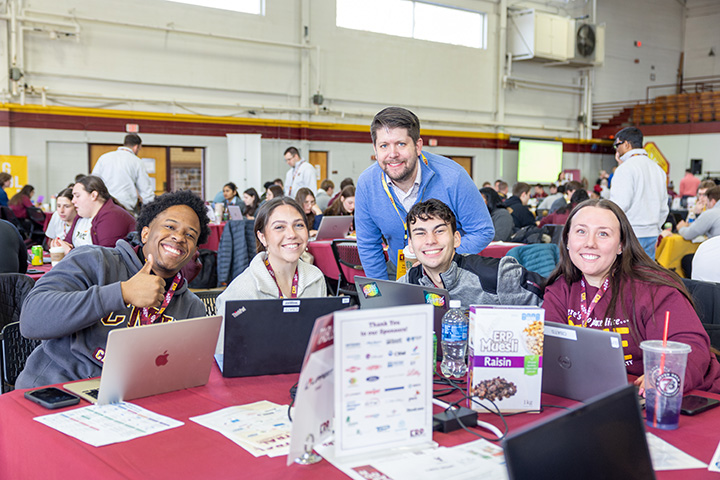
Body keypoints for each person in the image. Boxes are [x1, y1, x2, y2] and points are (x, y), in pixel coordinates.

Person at [16, 190, 210, 389]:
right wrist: (122, 293)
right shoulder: (94, 261)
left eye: (190, 235)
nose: (178, 237)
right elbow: (31, 321)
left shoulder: (191, 308)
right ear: (145, 233)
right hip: (58, 391)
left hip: (131, 399)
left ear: (194, 251)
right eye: (170, 226)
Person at [542, 199, 720, 393]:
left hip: (678, 394)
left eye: (603, 234)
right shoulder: (560, 289)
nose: (589, 243)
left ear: (621, 245)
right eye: (581, 231)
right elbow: (546, 350)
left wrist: (666, 373)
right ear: (568, 240)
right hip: (597, 392)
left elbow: (690, 346)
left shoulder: (653, 289)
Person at [355, 107, 494, 280]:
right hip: (398, 271)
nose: (393, 154)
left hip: (451, 273)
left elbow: (482, 231)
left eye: (401, 144)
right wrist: (381, 294)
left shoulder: (453, 176)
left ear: (418, 146)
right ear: (375, 150)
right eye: (384, 146)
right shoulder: (367, 184)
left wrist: (436, 258)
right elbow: (368, 245)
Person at [215, 197, 327, 353]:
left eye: (299, 225)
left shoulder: (315, 278)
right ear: (262, 237)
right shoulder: (240, 292)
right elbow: (221, 356)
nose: (292, 234)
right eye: (279, 227)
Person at [398, 199, 543, 309]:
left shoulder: (497, 275)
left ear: (456, 239)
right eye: (420, 233)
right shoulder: (407, 284)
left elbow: (554, 301)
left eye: (439, 231)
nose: (430, 240)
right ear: (410, 244)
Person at [609, 127, 669, 258]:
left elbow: (619, 205)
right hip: (652, 232)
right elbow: (664, 206)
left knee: (627, 276)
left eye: (617, 145)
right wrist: (656, 228)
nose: (617, 150)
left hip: (632, 233)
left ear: (626, 144)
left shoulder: (625, 169)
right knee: (646, 275)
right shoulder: (658, 169)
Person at [53, 175, 136, 254]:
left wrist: (69, 252)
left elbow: (106, 259)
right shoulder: (81, 216)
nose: (73, 201)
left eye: (77, 196)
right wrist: (60, 245)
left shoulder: (112, 216)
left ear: (93, 195)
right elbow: (67, 243)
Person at [91, 134, 155, 212]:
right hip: (125, 207)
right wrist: (152, 209)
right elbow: (146, 190)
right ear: (136, 147)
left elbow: (94, 182)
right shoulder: (137, 161)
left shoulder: (104, 158)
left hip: (104, 206)